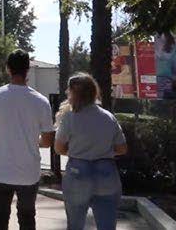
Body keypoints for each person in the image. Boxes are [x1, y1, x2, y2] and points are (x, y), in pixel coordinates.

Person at [0, 50, 55, 230]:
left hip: (0, 171)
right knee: (27, 220)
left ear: (8, 69)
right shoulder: (41, 101)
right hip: (29, 172)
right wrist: (35, 142)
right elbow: (48, 140)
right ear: (28, 69)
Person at [55, 73, 128, 230]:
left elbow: (59, 148)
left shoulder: (70, 118)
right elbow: (122, 148)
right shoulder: (108, 117)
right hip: (106, 172)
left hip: (77, 172)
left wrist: (77, 151)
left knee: (75, 224)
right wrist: (104, 152)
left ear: (73, 93)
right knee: (107, 225)